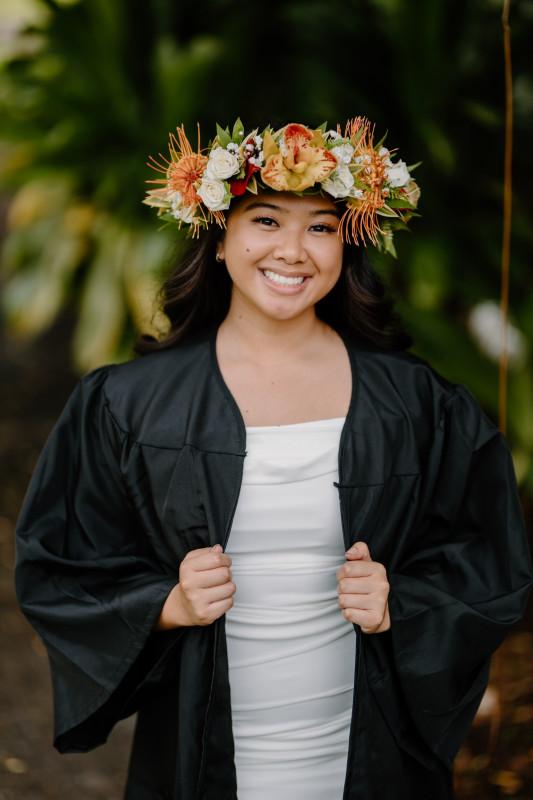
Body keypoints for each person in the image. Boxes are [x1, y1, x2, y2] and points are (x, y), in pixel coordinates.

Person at [15, 118, 532, 800]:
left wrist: (397, 605)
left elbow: (486, 556)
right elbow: (61, 562)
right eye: (265, 219)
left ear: (347, 246)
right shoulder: (129, 403)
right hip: (205, 753)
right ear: (219, 238)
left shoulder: (414, 403)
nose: (293, 250)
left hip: (367, 751)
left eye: (320, 226)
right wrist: (166, 604)